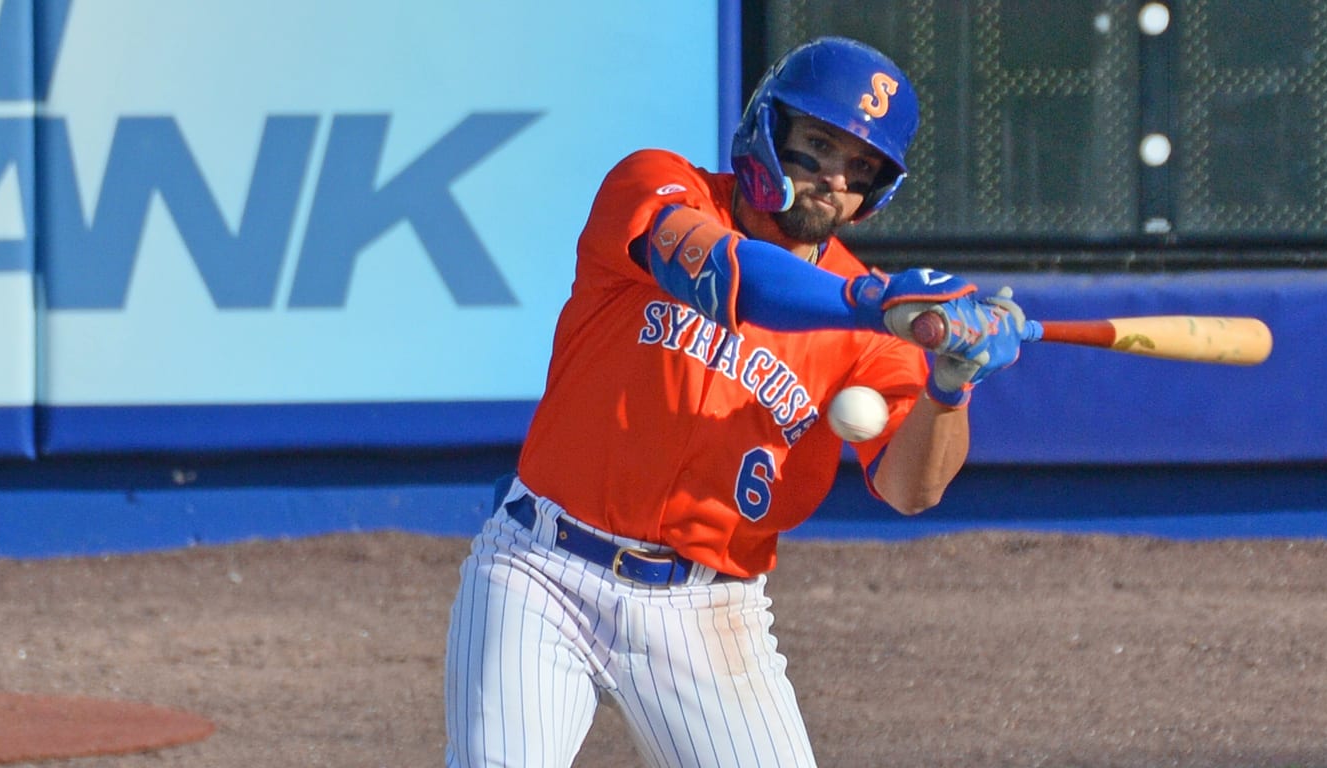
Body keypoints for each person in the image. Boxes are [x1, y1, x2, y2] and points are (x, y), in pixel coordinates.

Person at [444, 36, 1035, 767]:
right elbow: (734, 279)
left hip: (707, 609)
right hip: (540, 572)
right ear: (768, 126)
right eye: (818, 145)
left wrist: (952, 382)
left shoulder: (872, 333)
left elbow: (912, 488)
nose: (832, 180)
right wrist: (872, 301)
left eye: (860, 168)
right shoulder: (658, 187)